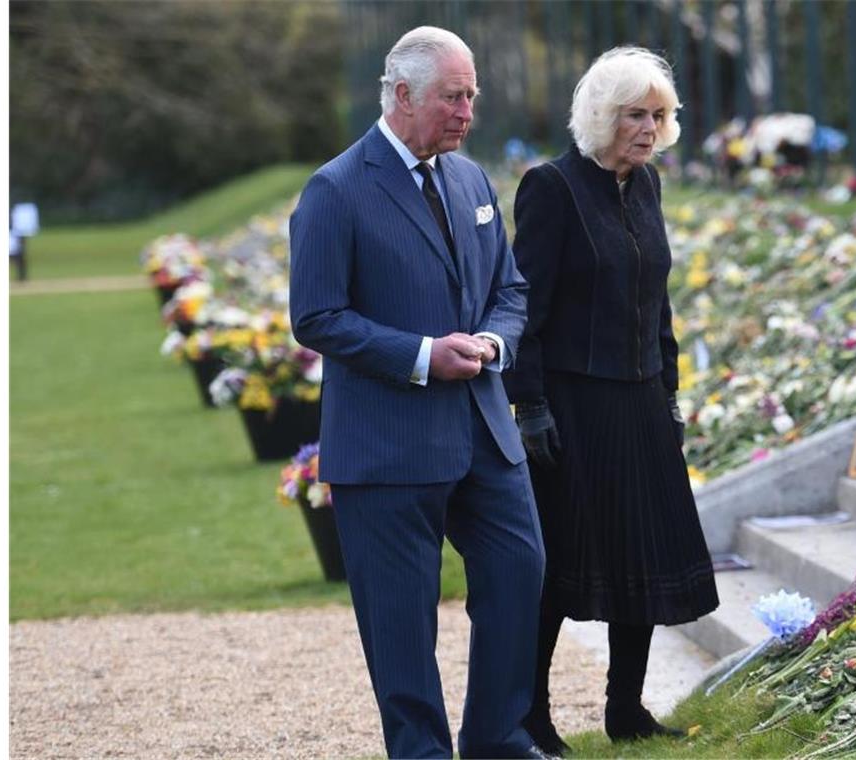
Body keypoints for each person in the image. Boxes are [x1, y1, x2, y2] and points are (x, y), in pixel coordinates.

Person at [289, 26, 548, 760]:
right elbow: (315, 316)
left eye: (472, 95)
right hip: (387, 443)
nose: (468, 111)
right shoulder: (335, 189)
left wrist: (494, 341)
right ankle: (421, 752)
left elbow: (509, 288)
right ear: (402, 95)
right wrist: (423, 355)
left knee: (519, 571)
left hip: (483, 433)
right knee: (402, 622)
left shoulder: (470, 179)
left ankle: (497, 739)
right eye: (453, 96)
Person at [503, 47, 721, 754]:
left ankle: (625, 711)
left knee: (647, 556)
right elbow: (524, 308)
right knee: (559, 568)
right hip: (572, 407)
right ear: (602, 114)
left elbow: (655, 299)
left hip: (640, 402)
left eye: (659, 115)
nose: (649, 127)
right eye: (636, 114)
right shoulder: (550, 188)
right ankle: (530, 717)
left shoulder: (647, 185)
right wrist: (529, 406)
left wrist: (671, 389)